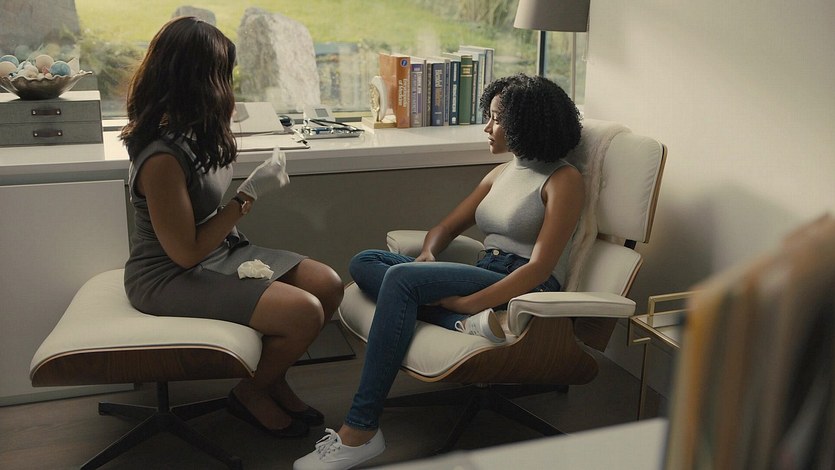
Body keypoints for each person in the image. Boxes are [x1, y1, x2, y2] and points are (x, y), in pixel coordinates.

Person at [294, 73, 584, 469]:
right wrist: (429, 254)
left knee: (399, 281)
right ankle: (462, 324)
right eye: (489, 115)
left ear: (526, 124)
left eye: (497, 118)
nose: (487, 127)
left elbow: (539, 269)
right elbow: (446, 228)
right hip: (485, 268)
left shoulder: (564, 180)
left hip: (522, 283)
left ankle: (361, 430)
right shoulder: (502, 173)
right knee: (365, 261)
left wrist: (468, 303)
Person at [120, 16, 344, 438]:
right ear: (200, 81)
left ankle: (271, 378)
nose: (229, 85)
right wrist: (246, 197)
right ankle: (251, 392)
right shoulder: (161, 159)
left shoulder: (197, 130)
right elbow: (185, 253)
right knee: (304, 313)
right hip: (168, 274)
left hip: (218, 250)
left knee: (328, 286)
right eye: (223, 75)